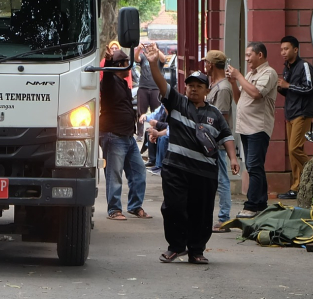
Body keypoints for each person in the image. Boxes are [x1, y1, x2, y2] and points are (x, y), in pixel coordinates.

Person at [152, 64, 239, 264]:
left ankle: (196, 251)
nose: (193, 88)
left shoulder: (215, 114)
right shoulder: (177, 103)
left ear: (207, 90)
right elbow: (161, 83)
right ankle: (175, 247)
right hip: (175, 168)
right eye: (190, 85)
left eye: (199, 86)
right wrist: (151, 63)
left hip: (204, 173)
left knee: (201, 212)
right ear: (185, 88)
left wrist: (233, 158)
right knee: (174, 208)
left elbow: (226, 136)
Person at [227, 42, 278, 217]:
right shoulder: (249, 74)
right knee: (253, 166)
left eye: (249, 55)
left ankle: (251, 206)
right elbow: (239, 99)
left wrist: (239, 75)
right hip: (246, 127)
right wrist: (234, 82)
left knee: (254, 167)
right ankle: (260, 203)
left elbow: (257, 94)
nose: (247, 58)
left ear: (260, 55)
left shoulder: (269, 73)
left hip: (258, 127)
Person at [100, 49, 149, 220]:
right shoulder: (110, 82)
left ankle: (135, 206)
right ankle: (114, 210)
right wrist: (107, 63)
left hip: (128, 135)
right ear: (119, 66)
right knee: (114, 174)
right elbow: (106, 78)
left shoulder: (122, 82)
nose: (129, 67)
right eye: (125, 63)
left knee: (139, 171)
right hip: (114, 135)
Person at [277, 35, 313, 199]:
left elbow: (309, 88)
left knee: (295, 149)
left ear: (295, 49)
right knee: (294, 151)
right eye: (281, 49)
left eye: (286, 49)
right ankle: (297, 186)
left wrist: (288, 85)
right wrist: (281, 87)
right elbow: (289, 91)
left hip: (303, 112)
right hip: (290, 112)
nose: (283, 52)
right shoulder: (287, 67)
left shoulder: (305, 66)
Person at [203, 51, 235, 231]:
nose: (205, 66)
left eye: (206, 63)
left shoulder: (223, 88)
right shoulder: (214, 85)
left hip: (217, 142)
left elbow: (220, 118)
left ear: (212, 65)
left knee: (222, 179)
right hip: (208, 141)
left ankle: (224, 218)